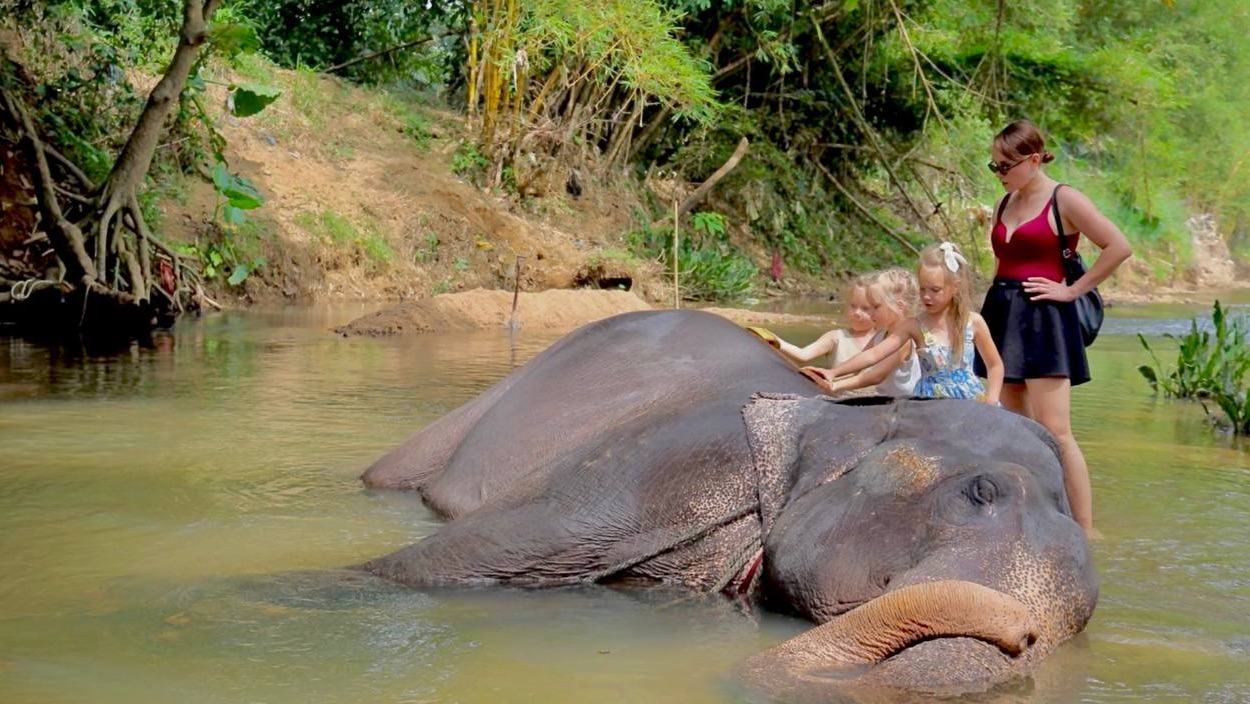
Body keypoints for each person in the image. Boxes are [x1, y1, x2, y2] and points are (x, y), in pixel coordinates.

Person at [977, 119, 1133, 535]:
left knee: (1056, 430)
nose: (1000, 174)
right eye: (994, 167)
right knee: (1016, 426)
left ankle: (1084, 528)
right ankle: (1035, 512)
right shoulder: (1003, 202)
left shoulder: (1065, 199)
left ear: (1033, 159)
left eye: (1005, 166)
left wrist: (1072, 291)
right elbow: (1000, 263)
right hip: (1003, 314)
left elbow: (1119, 246)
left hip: (1046, 317)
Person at [818, 243, 1004, 406]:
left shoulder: (974, 322)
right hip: (929, 403)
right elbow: (873, 354)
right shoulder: (914, 326)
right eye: (922, 289)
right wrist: (834, 372)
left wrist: (992, 399)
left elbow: (995, 365)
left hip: (969, 400)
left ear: (955, 287)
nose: (926, 296)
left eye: (935, 290)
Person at [802, 268, 921, 398]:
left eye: (876, 307)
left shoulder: (905, 341)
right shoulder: (882, 334)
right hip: (888, 401)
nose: (871, 313)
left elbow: (876, 376)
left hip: (909, 406)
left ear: (899, 306)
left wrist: (836, 385)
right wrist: (832, 373)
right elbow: (867, 357)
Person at [763, 275, 876, 368]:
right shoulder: (836, 337)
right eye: (853, 306)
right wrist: (774, 340)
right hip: (841, 394)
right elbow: (803, 355)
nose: (856, 313)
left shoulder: (885, 339)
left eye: (865, 308)